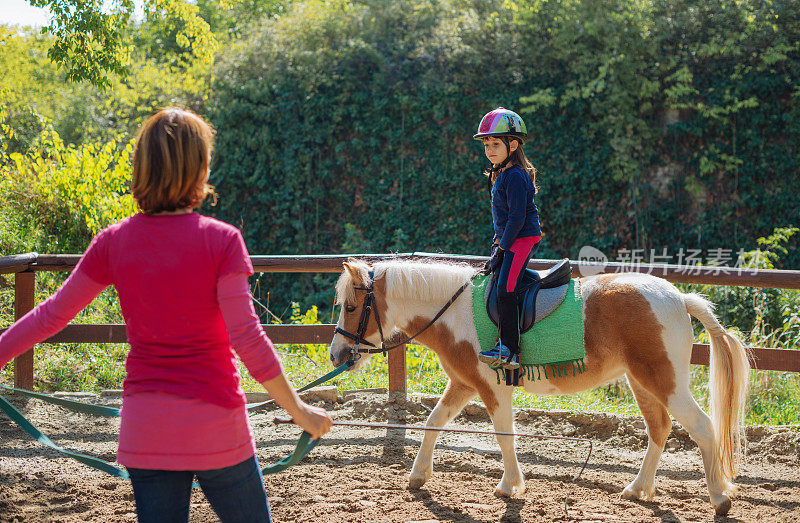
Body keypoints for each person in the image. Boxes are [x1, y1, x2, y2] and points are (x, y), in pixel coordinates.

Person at [0, 108, 332, 522]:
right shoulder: (222, 241)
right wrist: (300, 412)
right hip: (216, 424)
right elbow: (247, 338)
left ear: (143, 166)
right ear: (199, 168)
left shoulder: (113, 242)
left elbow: (50, 315)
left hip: (146, 429)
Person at [474, 107, 542, 371]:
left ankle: (510, 351)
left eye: (496, 144)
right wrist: (498, 244)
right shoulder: (502, 173)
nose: (490, 150)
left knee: (505, 289)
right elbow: (502, 221)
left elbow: (516, 219)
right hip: (510, 238)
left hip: (522, 238)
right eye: (487, 145)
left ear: (513, 145)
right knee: (500, 281)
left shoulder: (513, 175)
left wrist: (502, 248)